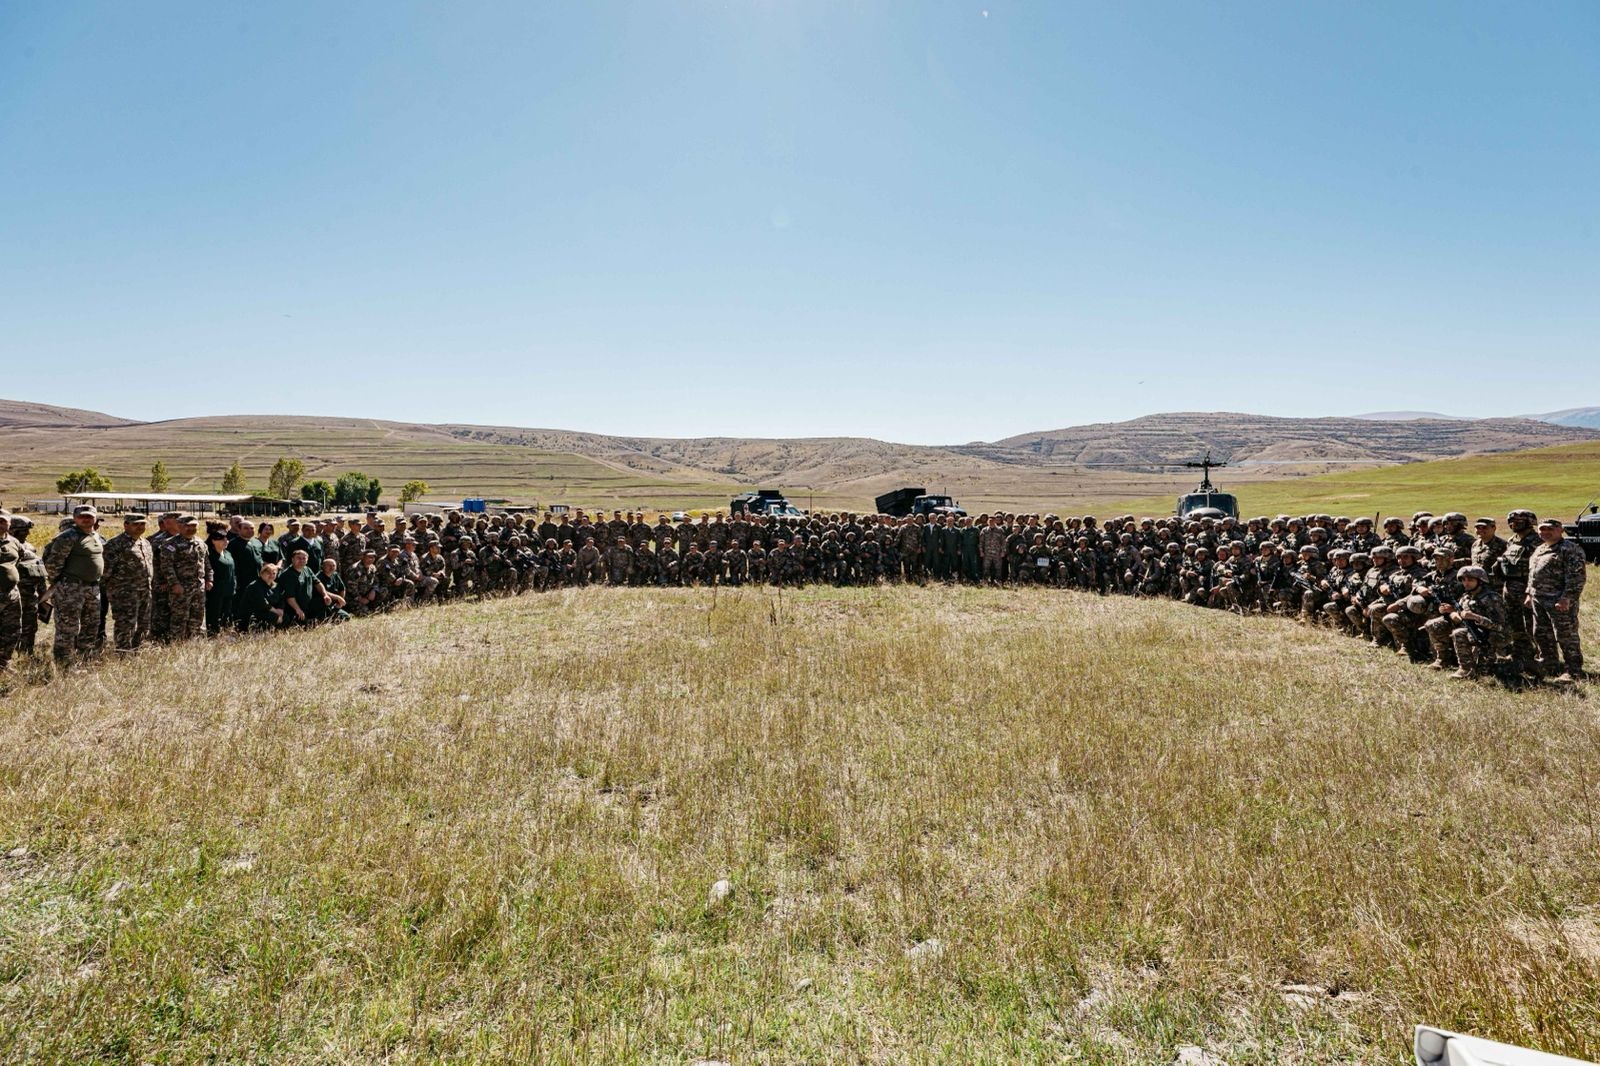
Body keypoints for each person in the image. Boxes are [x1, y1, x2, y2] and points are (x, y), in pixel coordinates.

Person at [42, 505, 106, 665]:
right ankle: (64, 664)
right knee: (67, 628)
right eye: (82, 516)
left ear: (95, 518)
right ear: (75, 518)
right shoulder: (68, 537)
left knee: (91, 625)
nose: (86, 519)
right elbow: (53, 564)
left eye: (89, 516)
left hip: (92, 588)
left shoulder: (96, 536)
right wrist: (62, 583)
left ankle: (85, 660)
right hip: (71, 588)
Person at [1527, 517, 1586, 681]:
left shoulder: (1570, 549)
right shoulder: (1539, 549)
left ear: (1560, 530)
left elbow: (1576, 577)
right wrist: (1529, 593)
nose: (1545, 532)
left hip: (1559, 601)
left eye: (1549, 529)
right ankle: (1549, 664)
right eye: (1542, 529)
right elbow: (1532, 574)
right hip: (1538, 600)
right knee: (1541, 633)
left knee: (1565, 635)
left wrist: (1567, 598)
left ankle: (1573, 670)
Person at [102, 513, 154, 652]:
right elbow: (106, 571)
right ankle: (123, 653)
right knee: (125, 625)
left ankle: (138, 651)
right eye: (135, 524)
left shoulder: (146, 543)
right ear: (126, 525)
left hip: (145, 591)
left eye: (142, 524)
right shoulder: (115, 544)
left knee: (144, 624)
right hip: (124, 593)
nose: (139, 527)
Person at [236, 561, 286, 630]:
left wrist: (281, 609)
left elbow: (281, 598)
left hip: (268, 611)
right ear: (261, 573)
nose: (271, 575)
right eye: (268, 573)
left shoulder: (276, 585)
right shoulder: (255, 586)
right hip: (254, 614)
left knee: (286, 616)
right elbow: (263, 603)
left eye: (274, 573)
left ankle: (276, 633)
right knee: (273, 617)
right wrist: (277, 612)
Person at [205, 529, 237, 635]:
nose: (226, 541)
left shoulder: (228, 553)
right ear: (213, 541)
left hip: (229, 590)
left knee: (227, 614)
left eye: (226, 539)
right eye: (222, 539)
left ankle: (225, 633)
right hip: (215, 592)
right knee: (214, 614)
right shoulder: (210, 555)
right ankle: (213, 634)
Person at [0, 512, 20, 673]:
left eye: (2, 521)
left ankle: (4, 662)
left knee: (12, 629)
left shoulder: (14, 542)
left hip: (11, 594)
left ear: (9, 524)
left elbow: (17, 561)